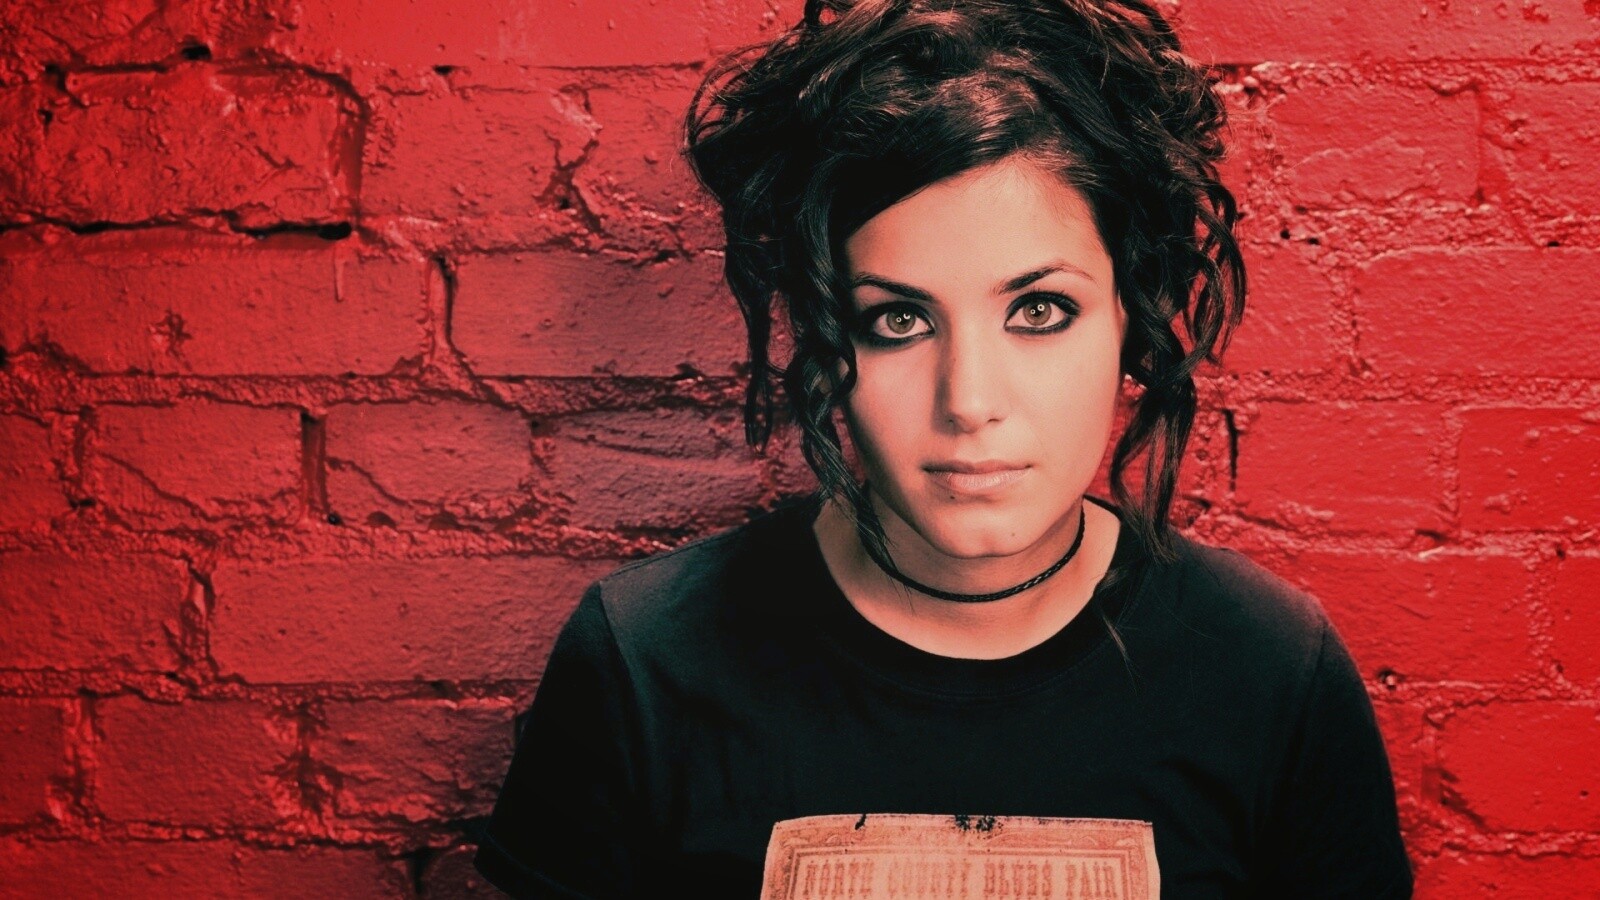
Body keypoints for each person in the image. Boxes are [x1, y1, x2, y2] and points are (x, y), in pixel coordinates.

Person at [475, 0, 1413, 897]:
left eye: (1039, 311)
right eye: (897, 320)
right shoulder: (645, 662)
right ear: (824, 337)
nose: (969, 402)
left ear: (1131, 317)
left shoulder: (1268, 672)